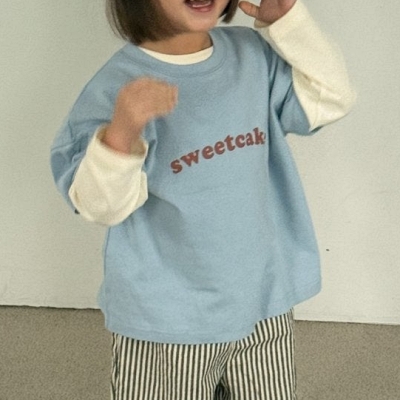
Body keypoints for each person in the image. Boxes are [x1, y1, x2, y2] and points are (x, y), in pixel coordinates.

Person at [50, 0, 355, 398]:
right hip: (168, 320)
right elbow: (99, 206)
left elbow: (332, 98)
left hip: (262, 300)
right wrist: (122, 133)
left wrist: (291, 25)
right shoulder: (117, 88)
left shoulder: (251, 56)